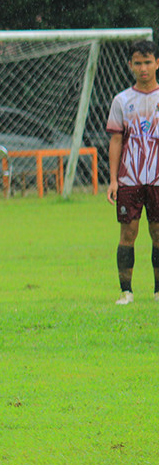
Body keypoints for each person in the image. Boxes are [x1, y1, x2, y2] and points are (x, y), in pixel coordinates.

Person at [105, 39, 159, 305]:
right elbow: (116, 140)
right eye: (138, 63)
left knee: (158, 232)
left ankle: (158, 290)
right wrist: (113, 180)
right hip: (129, 179)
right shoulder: (121, 100)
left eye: (148, 62)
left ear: (157, 63)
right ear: (130, 65)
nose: (143, 68)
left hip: (158, 180)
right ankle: (126, 291)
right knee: (128, 233)